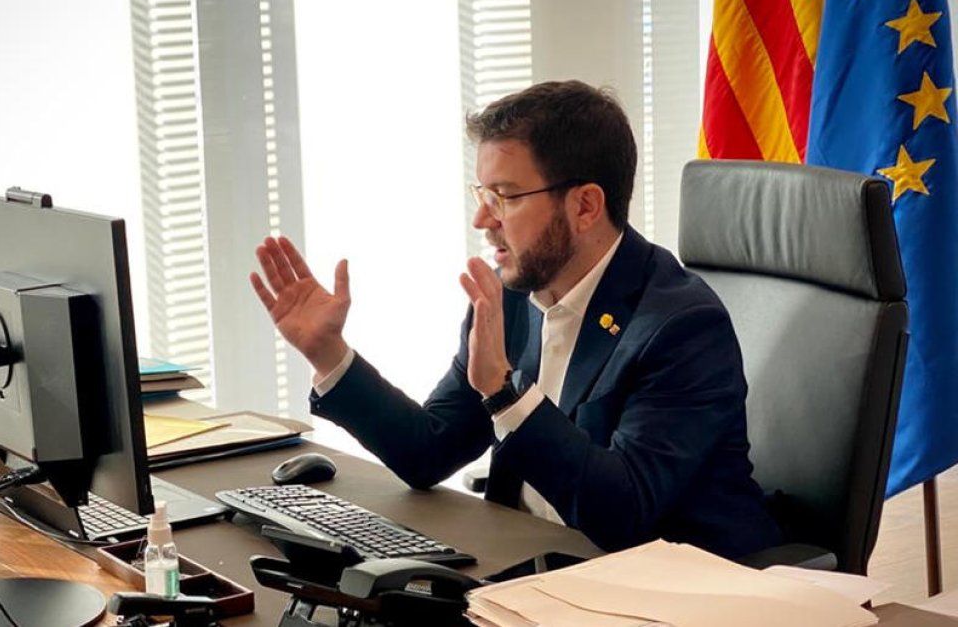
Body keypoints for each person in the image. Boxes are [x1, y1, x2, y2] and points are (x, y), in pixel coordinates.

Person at [249, 80, 782, 559]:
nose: (483, 219)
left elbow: (625, 512)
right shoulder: (509, 298)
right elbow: (430, 450)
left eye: (504, 196)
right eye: (482, 195)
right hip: (534, 570)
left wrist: (505, 396)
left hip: (675, 590)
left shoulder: (682, 327)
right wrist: (328, 353)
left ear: (585, 206)